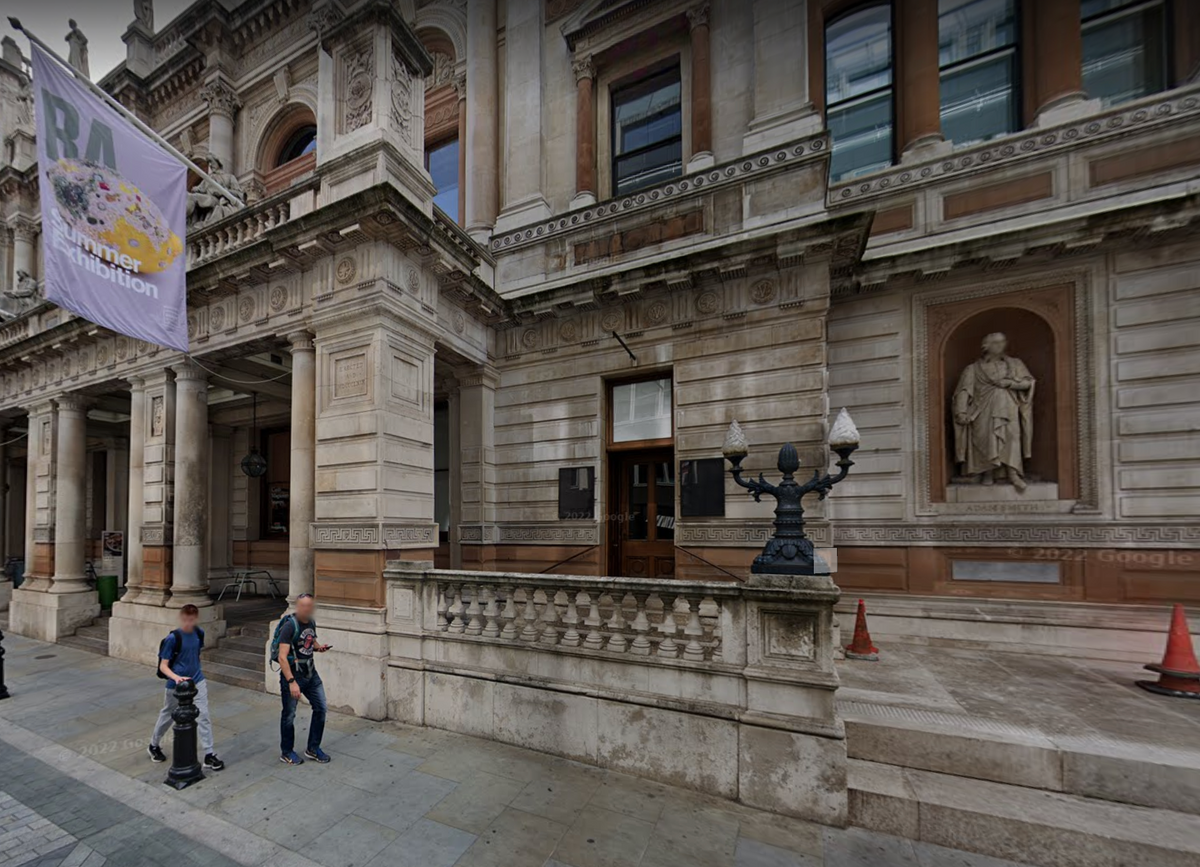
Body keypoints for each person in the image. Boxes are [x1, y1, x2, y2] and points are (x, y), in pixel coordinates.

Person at [147, 604, 224, 771]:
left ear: (196, 619)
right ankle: (154, 744)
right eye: (186, 619)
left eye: (192, 619)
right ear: (181, 618)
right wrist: (176, 678)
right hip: (176, 685)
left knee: (203, 715)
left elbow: (195, 655)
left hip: (197, 681)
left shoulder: (199, 633)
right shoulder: (172, 638)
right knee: (168, 715)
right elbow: (163, 666)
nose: (189, 623)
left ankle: (209, 754)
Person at [277, 593, 332, 764]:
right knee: (289, 715)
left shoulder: (311, 622)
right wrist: (291, 682)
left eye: (309, 606)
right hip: (293, 676)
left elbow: (309, 641)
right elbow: (282, 657)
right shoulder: (290, 626)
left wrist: (319, 647)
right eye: (303, 605)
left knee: (321, 708)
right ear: (297, 607)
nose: (306, 609)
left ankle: (313, 748)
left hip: (311, 674)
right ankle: (287, 752)